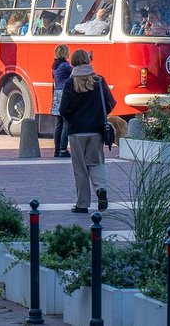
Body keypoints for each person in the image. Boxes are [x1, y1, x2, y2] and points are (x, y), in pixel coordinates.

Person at [58, 48, 115, 214]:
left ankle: (82, 204)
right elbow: (111, 103)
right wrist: (98, 116)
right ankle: (101, 189)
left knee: (80, 168)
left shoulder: (70, 83)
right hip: (96, 131)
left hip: (76, 131)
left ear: (73, 62)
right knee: (96, 162)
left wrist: (72, 117)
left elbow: (63, 109)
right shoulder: (99, 80)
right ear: (88, 61)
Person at [51, 43, 73, 158]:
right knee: (66, 123)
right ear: (65, 53)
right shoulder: (65, 65)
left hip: (57, 95)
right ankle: (63, 150)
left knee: (58, 124)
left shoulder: (55, 65)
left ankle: (56, 149)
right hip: (64, 95)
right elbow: (75, 71)